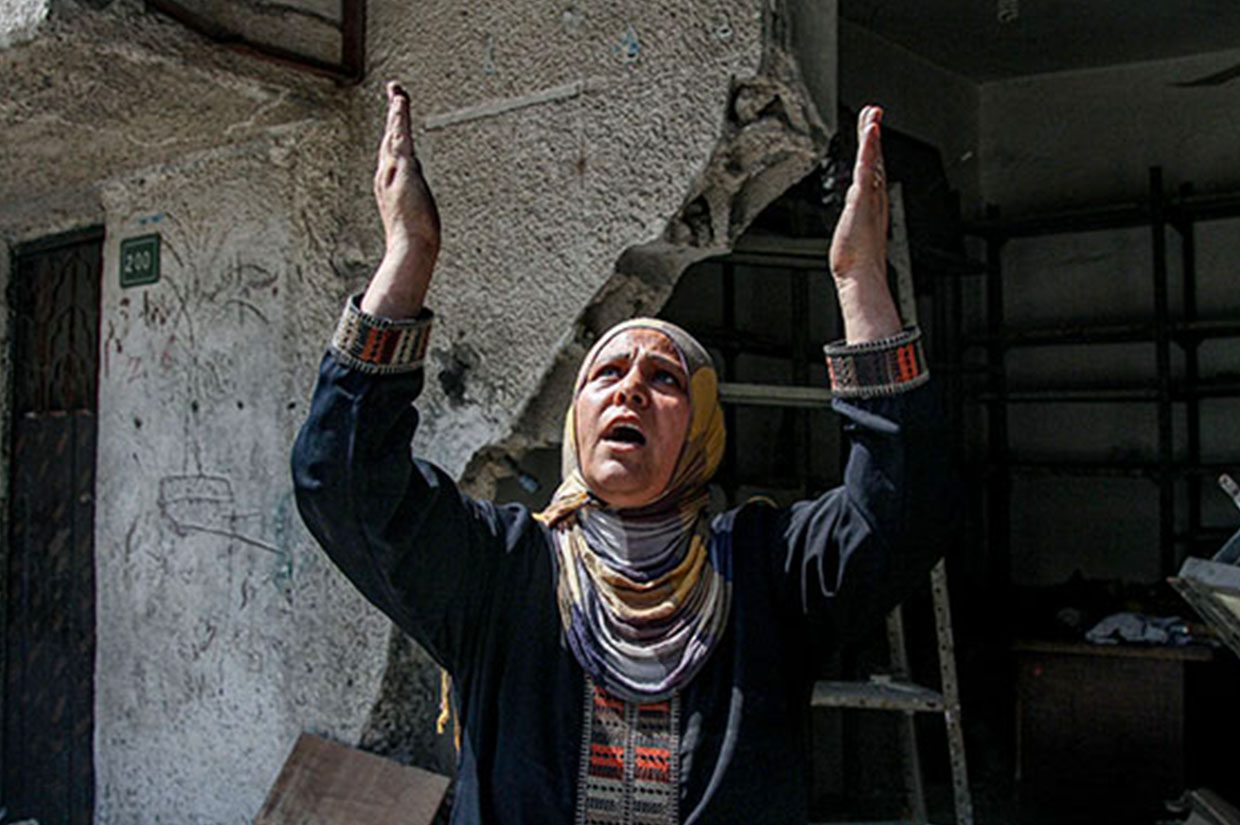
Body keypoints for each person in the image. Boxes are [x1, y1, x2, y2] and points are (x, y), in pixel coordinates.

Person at [292, 81, 951, 825]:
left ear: (702, 427)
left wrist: (860, 279)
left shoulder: (770, 575)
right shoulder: (503, 574)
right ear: (576, 418)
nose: (630, 389)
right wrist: (408, 257)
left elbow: (906, 501)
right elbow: (341, 479)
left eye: (664, 378)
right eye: (606, 373)